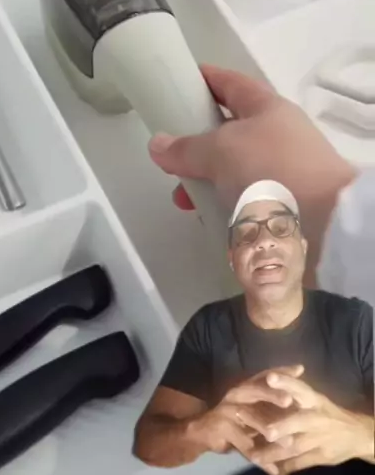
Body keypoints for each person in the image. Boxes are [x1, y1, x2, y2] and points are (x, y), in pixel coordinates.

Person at [133, 66, 375, 473]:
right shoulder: (213, 330)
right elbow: (151, 443)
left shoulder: (356, 325)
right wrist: (200, 430)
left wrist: (360, 435)